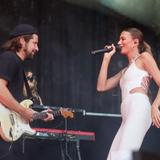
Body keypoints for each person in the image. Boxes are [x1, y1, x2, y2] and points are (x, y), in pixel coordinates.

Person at [97, 27, 160, 160]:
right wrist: (106, 59)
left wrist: (155, 106)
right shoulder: (125, 71)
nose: (119, 42)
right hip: (127, 115)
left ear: (135, 42)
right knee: (113, 157)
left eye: (123, 39)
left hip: (138, 107)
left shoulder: (144, 57)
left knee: (123, 155)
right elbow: (101, 87)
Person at [0, 24, 53, 130]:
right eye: (34, 43)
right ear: (22, 41)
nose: (37, 48)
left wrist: (38, 114)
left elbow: (15, 104)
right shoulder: (10, 58)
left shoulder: (17, 63)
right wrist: (23, 111)